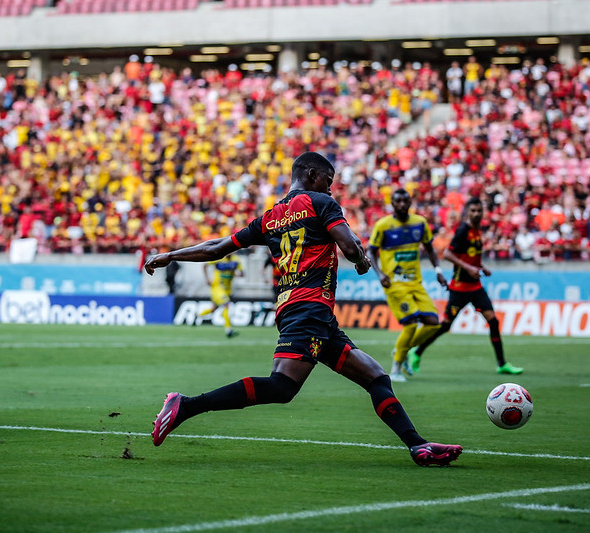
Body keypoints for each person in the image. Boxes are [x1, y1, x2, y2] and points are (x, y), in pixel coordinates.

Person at [144, 152, 462, 467]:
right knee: (282, 386)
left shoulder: (270, 217)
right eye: (328, 181)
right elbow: (350, 248)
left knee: (376, 377)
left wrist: (171, 255)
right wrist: (363, 259)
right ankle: (185, 406)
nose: (330, 189)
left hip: (301, 311)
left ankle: (418, 446)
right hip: (308, 308)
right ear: (311, 175)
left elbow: (217, 247)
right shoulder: (321, 204)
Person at [407, 198, 523, 375]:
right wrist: (469, 268)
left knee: (493, 321)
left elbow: (470, 256)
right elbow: (447, 254)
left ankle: (502, 364)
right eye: (473, 211)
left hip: (476, 287)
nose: (476, 214)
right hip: (460, 288)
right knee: (446, 325)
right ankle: (417, 352)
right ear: (467, 212)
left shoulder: (477, 231)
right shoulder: (463, 230)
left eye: (479, 210)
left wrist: (481, 267)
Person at [367, 189, 447, 383]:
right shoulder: (383, 225)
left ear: (410, 202)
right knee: (410, 324)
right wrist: (380, 274)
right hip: (394, 283)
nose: (402, 205)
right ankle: (395, 369)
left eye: (405, 201)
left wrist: (438, 270)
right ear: (392, 204)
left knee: (433, 323)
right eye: (398, 202)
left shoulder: (420, 223)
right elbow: (371, 252)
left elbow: (429, 248)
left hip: (415, 282)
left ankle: (402, 349)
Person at [196, 253, 243, 337]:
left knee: (213, 309)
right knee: (226, 304)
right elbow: (205, 265)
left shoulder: (236, 260)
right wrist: (207, 279)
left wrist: (237, 273)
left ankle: (198, 315)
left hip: (227, 289)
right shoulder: (219, 257)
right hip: (217, 287)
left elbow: (242, 273)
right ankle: (228, 330)